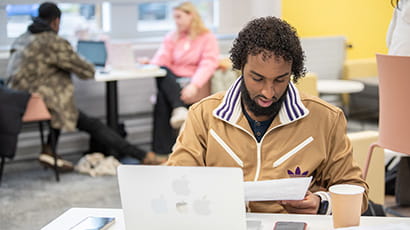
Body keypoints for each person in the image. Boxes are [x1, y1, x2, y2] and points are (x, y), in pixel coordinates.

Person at [166, 16, 369, 214]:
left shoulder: (326, 119)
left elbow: (356, 193)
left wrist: (320, 204)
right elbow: (177, 183)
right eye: (257, 78)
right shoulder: (203, 115)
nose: (268, 92)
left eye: (280, 80)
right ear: (240, 68)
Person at [6, 2, 164, 171]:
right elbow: (86, 71)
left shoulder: (23, 37)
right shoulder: (51, 41)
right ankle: (143, 156)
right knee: (92, 124)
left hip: (16, 99)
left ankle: (49, 149)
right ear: (56, 22)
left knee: (67, 107)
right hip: (38, 101)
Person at [150, 1, 219, 155]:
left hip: (194, 82)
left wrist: (194, 85)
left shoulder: (207, 37)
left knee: (162, 98)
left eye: (179, 17)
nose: (176, 21)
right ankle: (179, 107)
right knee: (161, 71)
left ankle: (161, 152)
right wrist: (149, 64)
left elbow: (208, 63)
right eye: (174, 18)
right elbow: (162, 60)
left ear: (191, 15)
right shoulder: (172, 37)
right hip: (173, 80)